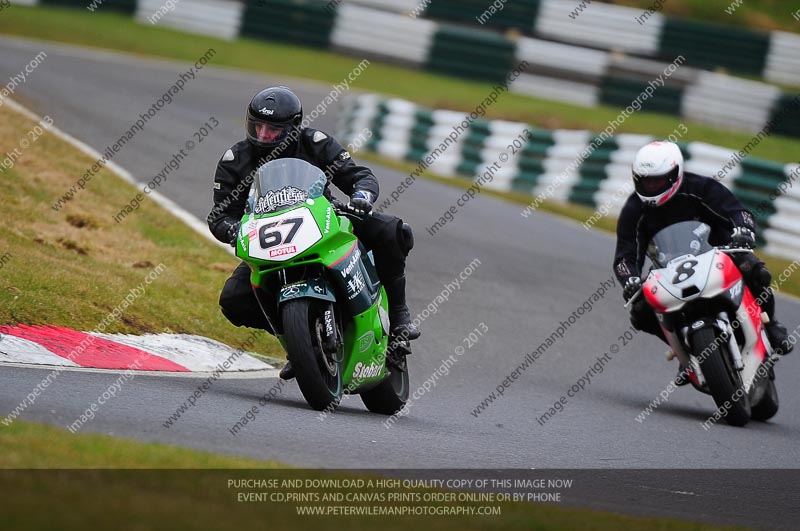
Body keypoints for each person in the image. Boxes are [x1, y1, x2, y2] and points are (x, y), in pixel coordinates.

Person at [208, 86, 420, 380]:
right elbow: (220, 215)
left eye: (273, 129)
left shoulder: (315, 143)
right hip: (271, 240)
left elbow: (358, 175)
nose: (264, 135)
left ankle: (398, 315)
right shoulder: (235, 160)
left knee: (392, 230)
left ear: (293, 128)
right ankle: (300, 342)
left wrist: (361, 196)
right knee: (233, 300)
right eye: (258, 126)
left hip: (322, 221)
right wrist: (232, 229)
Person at [613, 141, 792, 383]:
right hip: (669, 270)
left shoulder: (701, 187)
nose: (651, 186)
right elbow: (624, 256)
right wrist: (630, 279)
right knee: (640, 311)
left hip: (719, 253)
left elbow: (738, 212)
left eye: (657, 181)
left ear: (675, 174)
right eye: (646, 181)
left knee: (754, 269)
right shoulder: (634, 210)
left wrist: (744, 230)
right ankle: (684, 353)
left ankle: (770, 325)